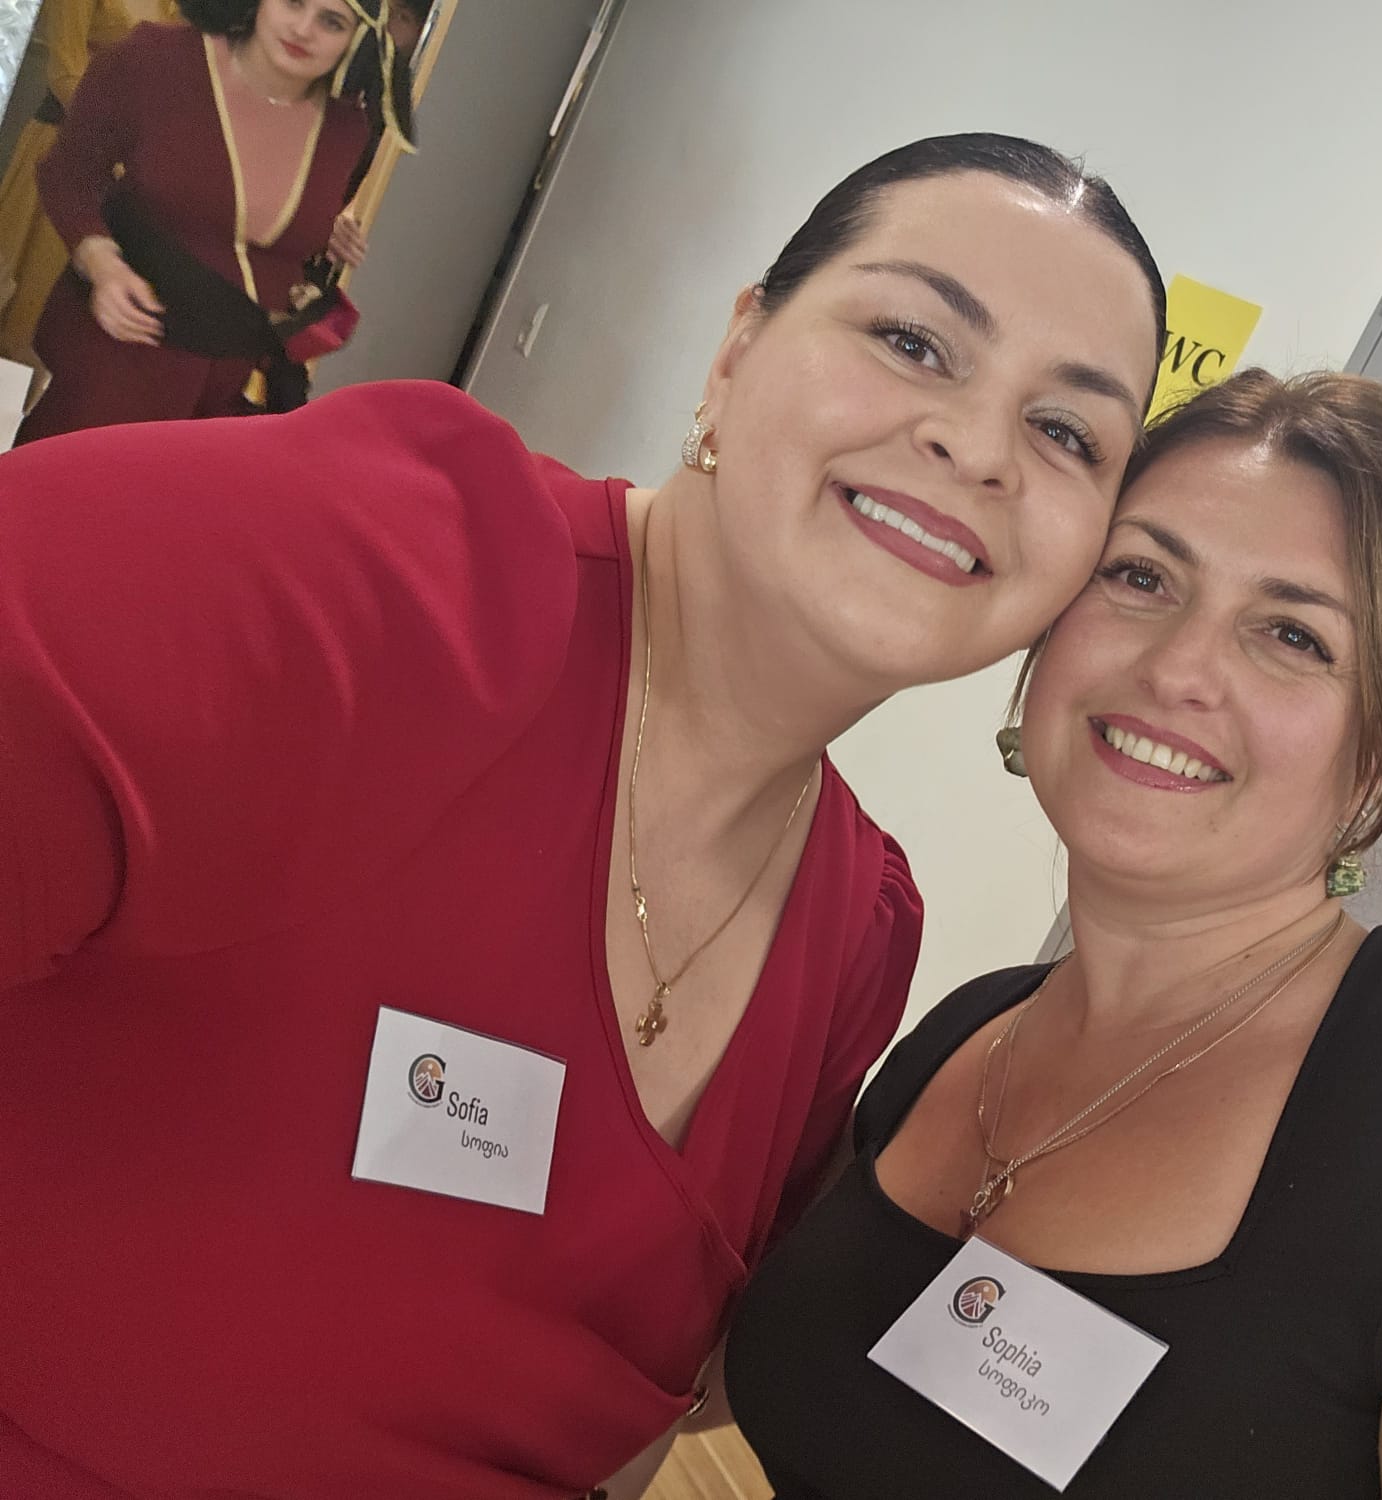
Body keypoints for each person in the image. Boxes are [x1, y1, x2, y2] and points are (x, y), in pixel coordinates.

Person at [0, 133, 1165, 1498]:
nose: (976, 446)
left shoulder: (859, 929)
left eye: (1067, 432)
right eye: (913, 341)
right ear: (737, 351)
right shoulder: (367, 572)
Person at [725, 370, 1382, 1498]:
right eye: (1140, 576)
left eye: (1292, 635)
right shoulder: (967, 1033)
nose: (1177, 670)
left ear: (1380, 753)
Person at [11, 0, 414, 444]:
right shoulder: (157, 59)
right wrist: (102, 264)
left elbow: (266, 226)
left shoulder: (348, 129)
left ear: (357, 39)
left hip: (226, 395)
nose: (303, 29)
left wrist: (320, 226)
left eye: (331, 22)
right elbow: (70, 172)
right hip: (120, 359)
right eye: (293, 2)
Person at [0, 0, 182, 370]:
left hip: (125, 170)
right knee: (27, 306)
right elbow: (63, 72)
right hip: (66, 152)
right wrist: (124, 141)